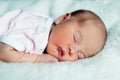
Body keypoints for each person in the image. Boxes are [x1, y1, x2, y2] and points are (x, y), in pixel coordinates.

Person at [0, 9, 107, 63]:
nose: (72, 51)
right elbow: (3, 52)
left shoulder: (51, 31)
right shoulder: (37, 34)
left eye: (79, 56)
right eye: (75, 38)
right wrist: (37, 59)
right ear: (62, 19)